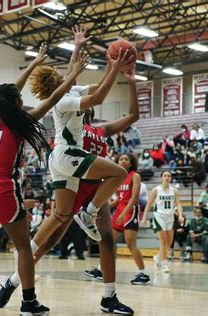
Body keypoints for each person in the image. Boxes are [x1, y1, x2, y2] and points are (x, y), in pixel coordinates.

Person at [0, 46, 139, 314]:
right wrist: (110, 66)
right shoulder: (66, 103)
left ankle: (108, 296)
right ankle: (21, 270)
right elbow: (92, 92)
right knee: (55, 234)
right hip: (75, 166)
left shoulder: (94, 122)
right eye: (62, 76)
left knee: (86, 229)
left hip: (89, 178)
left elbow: (91, 87)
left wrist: (113, 66)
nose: (67, 77)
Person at [0, 44, 86, 316]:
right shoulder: (21, 121)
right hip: (2, 186)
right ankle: (28, 302)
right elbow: (54, 97)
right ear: (16, 102)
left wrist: (34, 64)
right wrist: (73, 76)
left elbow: (10, 91)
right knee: (24, 247)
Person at [28, 34, 134, 245]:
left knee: (61, 215)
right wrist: (116, 68)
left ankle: (24, 258)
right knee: (120, 173)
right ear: (55, 81)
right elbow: (98, 99)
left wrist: (111, 64)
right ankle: (89, 212)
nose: (63, 72)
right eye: (59, 73)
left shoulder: (71, 91)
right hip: (68, 154)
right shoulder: (62, 100)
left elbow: (101, 85)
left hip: (59, 157)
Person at [110, 153, 150, 285]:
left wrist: (123, 214)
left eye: (126, 159)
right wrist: (104, 205)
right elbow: (118, 200)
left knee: (130, 243)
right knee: (108, 240)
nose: (123, 161)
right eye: (120, 159)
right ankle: (102, 270)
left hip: (131, 210)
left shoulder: (135, 176)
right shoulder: (118, 177)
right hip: (120, 209)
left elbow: (134, 198)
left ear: (131, 163)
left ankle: (144, 274)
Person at [141, 171, 184, 273]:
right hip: (159, 217)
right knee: (163, 241)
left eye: (169, 176)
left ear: (171, 178)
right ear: (161, 178)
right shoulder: (156, 190)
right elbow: (148, 205)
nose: (167, 177)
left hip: (170, 217)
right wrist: (144, 217)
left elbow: (178, 204)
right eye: (165, 175)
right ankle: (164, 264)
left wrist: (181, 215)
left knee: (168, 244)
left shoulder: (174, 191)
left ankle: (158, 257)